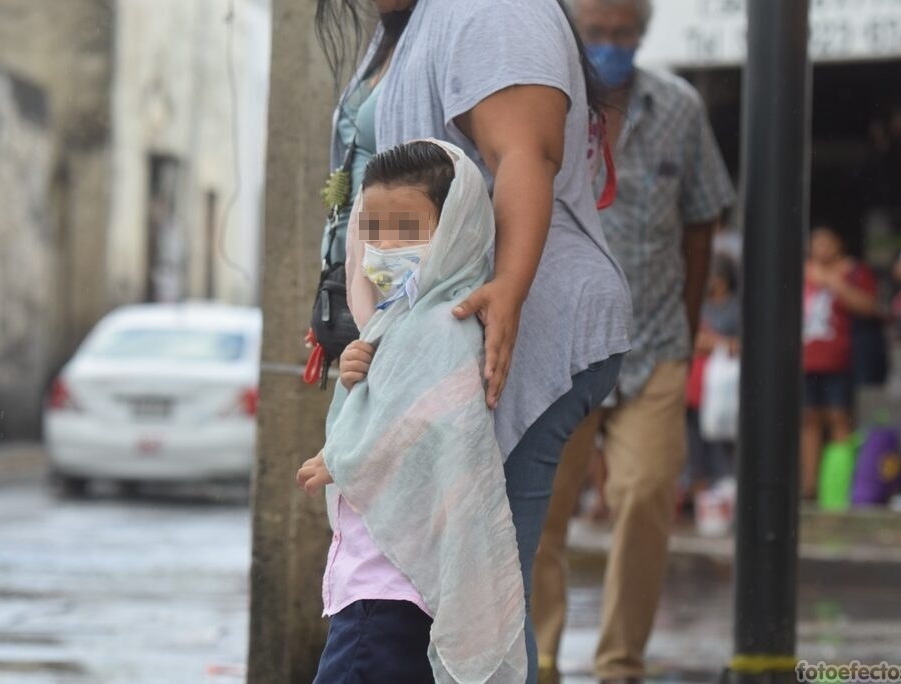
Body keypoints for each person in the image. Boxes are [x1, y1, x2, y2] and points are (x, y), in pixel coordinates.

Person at [313, 1, 633, 678]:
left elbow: (525, 149)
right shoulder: (412, 19)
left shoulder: (493, 8)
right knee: (457, 597)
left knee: (476, 601)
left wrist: (508, 287)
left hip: (496, 335)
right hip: (439, 337)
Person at [530, 1, 736, 682]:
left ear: (643, 34)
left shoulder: (679, 108)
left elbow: (702, 221)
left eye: (624, 34)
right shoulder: (540, 100)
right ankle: (540, 657)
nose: (611, 46)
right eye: (597, 34)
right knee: (541, 509)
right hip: (561, 347)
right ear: (573, 32)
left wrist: (685, 324)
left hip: (654, 344)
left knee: (648, 494)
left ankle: (621, 663)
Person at [298, 140, 527, 682]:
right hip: (384, 583)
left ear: (454, 231)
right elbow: (400, 407)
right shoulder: (398, 322)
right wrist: (358, 376)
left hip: (389, 587)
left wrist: (346, 457)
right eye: (373, 229)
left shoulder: (444, 326)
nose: (384, 246)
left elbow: (436, 432)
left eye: (405, 229)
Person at [801, 225, 879, 500]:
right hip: (806, 359)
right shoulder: (802, 271)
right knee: (808, 418)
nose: (820, 248)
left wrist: (833, 283)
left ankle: (839, 488)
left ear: (839, 244)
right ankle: (809, 486)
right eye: (815, 242)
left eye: (826, 242)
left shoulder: (853, 271)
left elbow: (870, 307)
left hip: (840, 358)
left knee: (838, 416)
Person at [683, 254, 741, 500]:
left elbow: (742, 344)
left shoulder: (735, 308)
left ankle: (724, 485)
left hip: (722, 386)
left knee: (719, 435)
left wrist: (716, 343)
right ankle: (696, 488)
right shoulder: (698, 304)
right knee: (693, 438)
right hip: (694, 382)